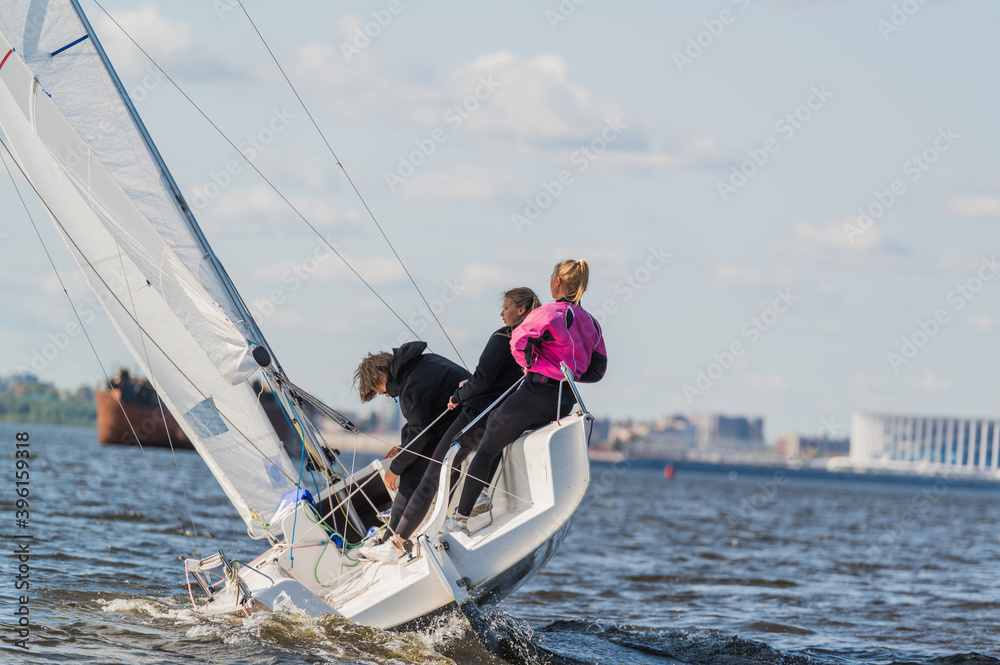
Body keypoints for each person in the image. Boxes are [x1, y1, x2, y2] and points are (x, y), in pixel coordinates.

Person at [364, 288, 542, 563]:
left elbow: (481, 380)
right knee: (450, 466)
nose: (501, 313)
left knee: (429, 474)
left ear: (520, 310)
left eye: (506, 306)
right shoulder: (532, 341)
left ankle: (395, 543)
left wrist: (459, 394)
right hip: (502, 413)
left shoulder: (502, 338)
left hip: (474, 413)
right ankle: (457, 510)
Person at [443, 259, 607, 533]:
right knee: (500, 435)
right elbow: (598, 369)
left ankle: (458, 520)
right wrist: (571, 373)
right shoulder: (592, 322)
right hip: (564, 401)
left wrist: (530, 363)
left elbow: (518, 339)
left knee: (486, 448)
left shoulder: (551, 312)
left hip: (534, 395)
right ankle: (485, 497)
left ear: (558, 281)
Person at [353, 341, 469, 539]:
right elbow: (424, 418)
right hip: (467, 414)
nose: (386, 395)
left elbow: (421, 432)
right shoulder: (423, 362)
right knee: (412, 459)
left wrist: (395, 469)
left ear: (381, 376)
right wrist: (403, 447)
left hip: (466, 421)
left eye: (380, 390)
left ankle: (392, 538)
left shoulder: (410, 386)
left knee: (410, 475)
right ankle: (409, 523)